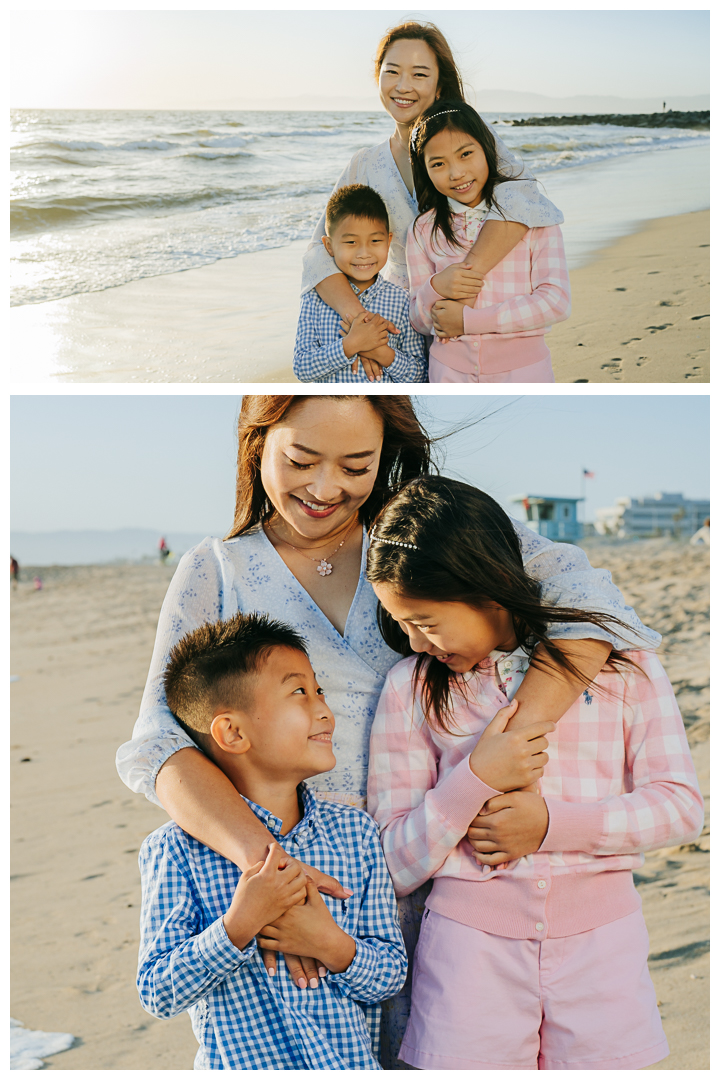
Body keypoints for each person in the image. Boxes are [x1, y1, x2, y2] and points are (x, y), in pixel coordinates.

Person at [116, 394, 660, 1067]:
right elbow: (161, 744)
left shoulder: (419, 536)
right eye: (301, 459)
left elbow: (598, 611)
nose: (325, 488)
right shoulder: (214, 570)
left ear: (387, 456)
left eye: (356, 465)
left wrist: (513, 743)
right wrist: (277, 870)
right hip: (289, 899)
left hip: (446, 889)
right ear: (257, 443)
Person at [366, 476, 704, 1070]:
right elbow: (391, 860)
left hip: (605, 951)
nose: (415, 643)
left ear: (489, 592)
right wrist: (472, 777)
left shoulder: (624, 667)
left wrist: (550, 827)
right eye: (403, 623)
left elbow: (680, 807)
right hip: (467, 958)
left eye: (427, 621)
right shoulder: (410, 687)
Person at [138, 611, 406, 1070]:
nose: (324, 708)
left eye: (319, 690)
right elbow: (158, 991)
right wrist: (238, 925)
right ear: (233, 732)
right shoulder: (175, 850)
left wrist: (331, 944)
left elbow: (390, 976)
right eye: (299, 692)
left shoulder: (354, 835)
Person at [301, 21, 563, 381]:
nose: (403, 86)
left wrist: (460, 286)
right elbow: (318, 251)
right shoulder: (363, 164)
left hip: (467, 319)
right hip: (396, 324)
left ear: (439, 85)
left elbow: (523, 199)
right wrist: (363, 323)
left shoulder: (471, 139)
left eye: (419, 74)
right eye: (391, 72)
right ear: (377, 77)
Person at [406, 100, 570, 382]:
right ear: (425, 170)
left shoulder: (534, 216)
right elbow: (419, 321)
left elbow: (556, 302)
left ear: (487, 149)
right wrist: (435, 287)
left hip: (523, 372)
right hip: (448, 374)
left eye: (466, 154)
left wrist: (470, 322)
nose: (456, 172)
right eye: (438, 164)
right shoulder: (422, 229)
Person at [293, 185, 426, 383]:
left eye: (375, 241)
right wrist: (350, 345)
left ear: (388, 241)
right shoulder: (315, 297)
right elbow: (302, 367)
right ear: (329, 246)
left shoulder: (402, 300)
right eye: (351, 243)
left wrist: (380, 352)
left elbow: (419, 375)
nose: (364, 253)